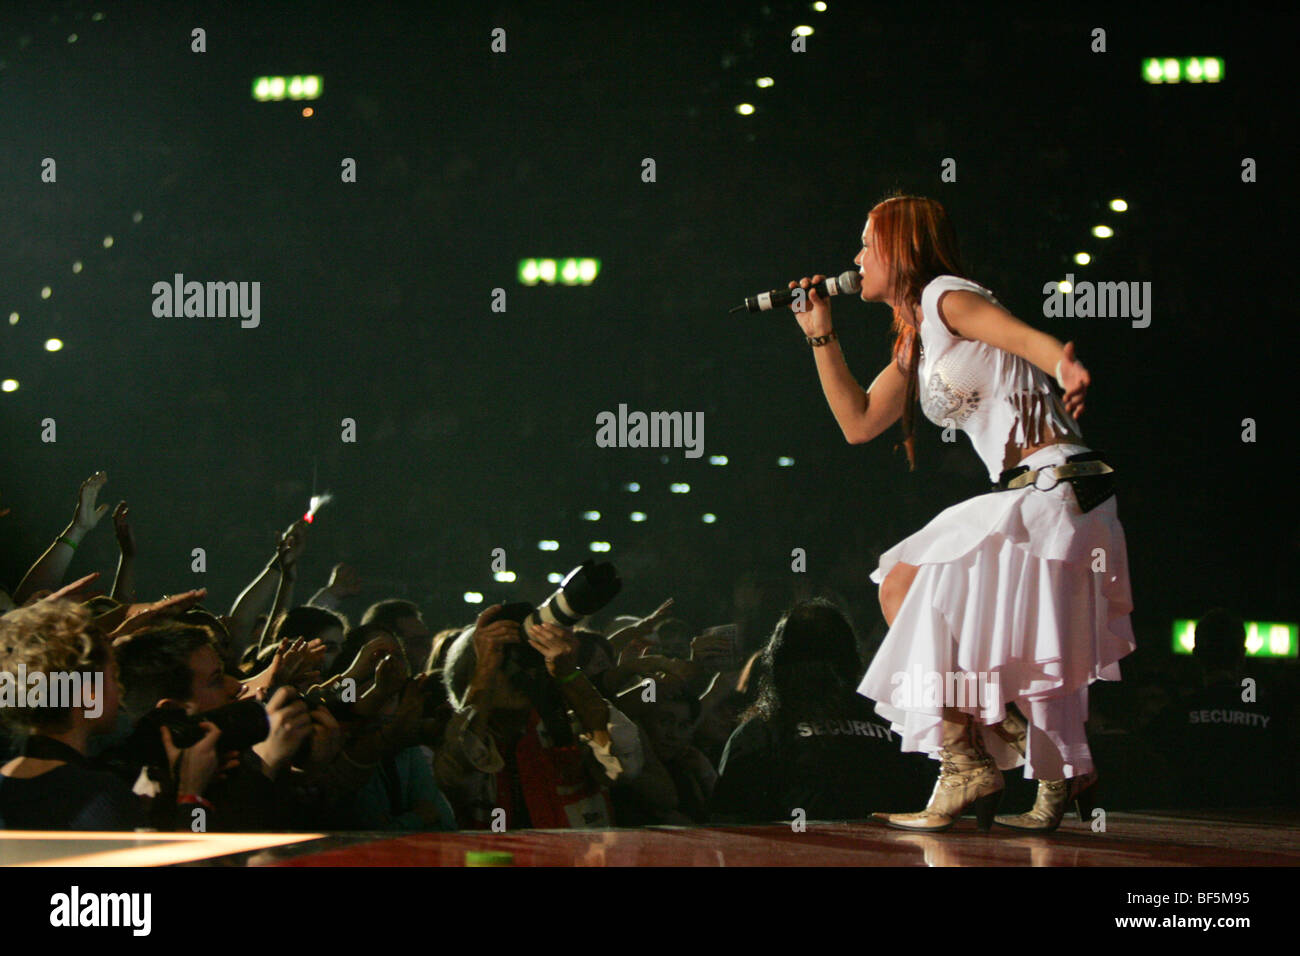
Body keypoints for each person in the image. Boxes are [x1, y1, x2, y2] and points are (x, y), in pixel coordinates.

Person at [790, 194, 1135, 832]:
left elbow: (1021, 336)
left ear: (900, 250)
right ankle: (1038, 763)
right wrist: (822, 335)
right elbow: (859, 422)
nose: (856, 258)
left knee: (908, 586)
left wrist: (1065, 364)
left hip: (1054, 487)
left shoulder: (945, 295)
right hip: (1034, 492)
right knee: (930, 603)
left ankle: (974, 761)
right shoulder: (917, 335)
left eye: (868, 243)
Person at [710, 599, 931, 824]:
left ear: (776, 660)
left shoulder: (758, 735)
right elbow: (927, 803)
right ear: (852, 659)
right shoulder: (897, 724)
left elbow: (729, 822)